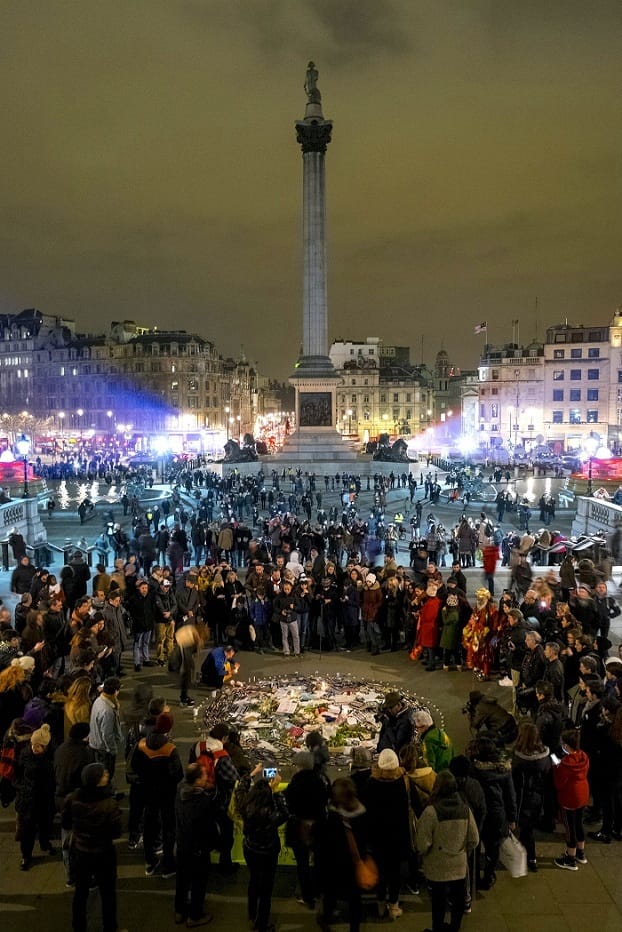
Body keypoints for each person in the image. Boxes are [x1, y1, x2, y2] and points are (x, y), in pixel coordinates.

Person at [62, 762, 126, 932]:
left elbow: (66, 822)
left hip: (81, 851)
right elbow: (116, 833)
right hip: (103, 853)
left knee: (80, 893)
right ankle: (110, 927)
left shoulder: (73, 798)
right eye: (103, 775)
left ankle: (79, 927)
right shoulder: (109, 804)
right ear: (97, 781)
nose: (106, 775)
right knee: (108, 894)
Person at [417, 770, 479, 932]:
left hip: (437, 867)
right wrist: (463, 852)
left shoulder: (431, 812)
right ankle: (454, 928)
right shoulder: (465, 811)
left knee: (438, 903)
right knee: (458, 902)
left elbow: (422, 844)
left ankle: (437, 928)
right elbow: (474, 839)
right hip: (458, 866)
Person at [131, 711, 183, 878]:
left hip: (148, 792)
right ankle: (168, 864)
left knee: (149, 825)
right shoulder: (170, 749)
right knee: (169, 828)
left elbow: (135, 766)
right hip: (167, 794)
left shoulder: (142, 744)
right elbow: (178, 774)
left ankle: (150, 861)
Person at [316, 777, 368, 932]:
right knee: (355, 902)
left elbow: (322, 844)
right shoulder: (362, 814)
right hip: (354, 866)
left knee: (330, 896)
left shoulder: (330, 818)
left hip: (333, 867)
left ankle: (326, 920)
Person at [239, 773, 289, 932]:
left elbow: (240, 789)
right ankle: (262, 924)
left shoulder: (245, 806)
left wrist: (251, 774)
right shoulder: (270, 815)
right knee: (266, 890)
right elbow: (285, 813)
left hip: (250, 849)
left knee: (253, 881)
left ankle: (252, 914)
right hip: (268, 852)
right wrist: (276, 792)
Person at [365, 748, 411, 920]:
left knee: (380, 871)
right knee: (395, 872)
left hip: (377, 836)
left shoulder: (371, 783)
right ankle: (394, 906)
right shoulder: (402, 782)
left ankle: (380, 904)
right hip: (397, 835)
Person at [174, 762, 220, 927]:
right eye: (204, 775)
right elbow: (208, 827)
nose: (207, 777)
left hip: (181, 844)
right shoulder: (202, 802)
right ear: (198, 780)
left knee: (182, 879)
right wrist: (215, 844)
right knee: (198, 882)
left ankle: (179, 910)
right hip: (198, 849)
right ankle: (195, 915)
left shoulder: (180, 790)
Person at [468, 736, 517, 890]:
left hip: (477, 814)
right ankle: (488, 875)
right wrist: (512, 818)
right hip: (496, 814)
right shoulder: (504, 770)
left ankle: (473, 878)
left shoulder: (473, 769)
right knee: (493, 847)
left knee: (474, 847)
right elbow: (510, 795)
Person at [284, 750, 329, 910]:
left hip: (299, 828)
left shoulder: (295, 782)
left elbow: (288, 802)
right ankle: (319, 891)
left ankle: (307, 896)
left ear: (300, 766)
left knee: (302, 864)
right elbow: (325, 800)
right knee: (318, 861)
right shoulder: (320, 781)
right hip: (318, 827)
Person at [54, 721, 96, 886]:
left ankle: (70, 875)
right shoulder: (84, 754)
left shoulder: (60, 749)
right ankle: (85, 875)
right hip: (78, 802)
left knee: (67, 840)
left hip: (60, 800)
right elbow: (88, 781)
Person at [14, 722, 57, 870]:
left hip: (45, 798)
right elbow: (17, 774)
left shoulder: (51, 758)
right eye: (33, 745)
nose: (34, 748)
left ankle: (45, 844)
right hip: (29, 799)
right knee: (28, 829)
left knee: (45, 824)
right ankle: (26, 855)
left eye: (38, 746)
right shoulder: (25, 755)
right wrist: (22, 788)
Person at [511, 722, 551, 872]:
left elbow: (514, 781)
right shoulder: (545, 755)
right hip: (538, 798)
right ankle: (530, 858)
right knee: (528, 830)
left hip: (522, 800)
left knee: (524, 830)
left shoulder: (518, 758)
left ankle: (527, 858)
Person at [553, 729, 590, 870]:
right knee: (579, 823)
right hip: (583, 793)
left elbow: (559, 783)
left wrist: (555, 764)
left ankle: (570, 858)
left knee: (570, 828)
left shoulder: (565, 763)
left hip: (570, 797)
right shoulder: (583, 756)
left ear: (567, 745)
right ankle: (581, 853)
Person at [89, 676, 123, 779]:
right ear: (115, 691)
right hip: (103, 749)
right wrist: (112, 750)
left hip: (95, 742)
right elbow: (107, 734)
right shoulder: (107, 710)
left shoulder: (99, 700)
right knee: (106, 774)